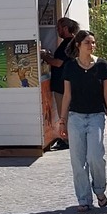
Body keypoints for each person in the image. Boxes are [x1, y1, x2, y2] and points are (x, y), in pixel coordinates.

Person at [58, 30, 107, 213]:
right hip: (75, 117)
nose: (91, 46)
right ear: (78, 45)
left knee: (95, 157)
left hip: (96, 116)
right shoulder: (70, 67)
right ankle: (84, 199)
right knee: (77, 161)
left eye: (93, 42)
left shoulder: (102, 65)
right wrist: (62, 120)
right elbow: (67, 95)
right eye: (87, 43)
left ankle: (99, 190)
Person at [41, 17, 80, 151]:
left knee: (64, 112)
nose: (57, 31)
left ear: (65, 28)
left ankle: (67, 139)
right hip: (65, 83)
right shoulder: (71, 43)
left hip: (62, 84)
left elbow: (58, 62)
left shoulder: (69, 43)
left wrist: (44, 57)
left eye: (59, 28)